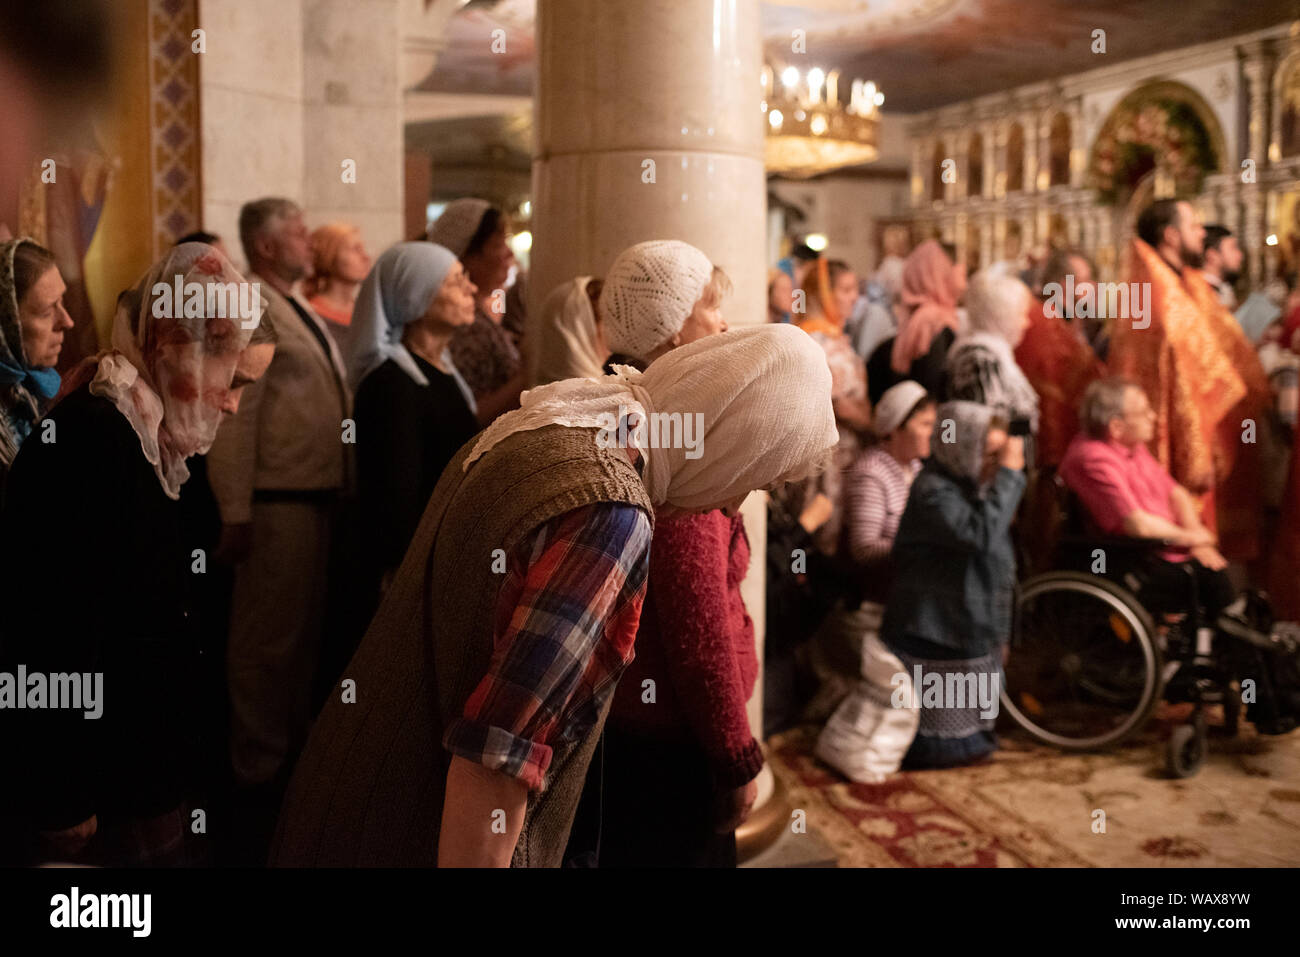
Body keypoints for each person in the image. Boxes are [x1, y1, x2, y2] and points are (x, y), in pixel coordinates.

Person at [270, 324, 838, 868]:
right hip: (409, 830)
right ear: (731, 436)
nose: (733, 506)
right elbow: (496, 759)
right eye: (753, 477)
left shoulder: (567, 417)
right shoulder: (611, 512)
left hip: (351, 784)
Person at [0, 243, 259, 866]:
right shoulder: (95, 439)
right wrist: (61, 792)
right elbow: (50, 626)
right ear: (172, 347)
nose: (232, 401)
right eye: (232, 375)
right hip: (106, 777)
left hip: (145, 760)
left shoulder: (155, 437)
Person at [564, 239, 756, 868]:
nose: (724, 324)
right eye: (711, 307)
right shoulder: (671, 435)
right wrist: (735, 757)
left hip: (622, 731)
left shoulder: (618, 409)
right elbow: (696, 624)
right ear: (673, 328)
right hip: (669, 742)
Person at [206, 198, 352, 806]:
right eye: (296, 232)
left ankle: (288, 763)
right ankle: (255, 774)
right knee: (266, 646)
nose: (307, 239)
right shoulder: (252, 303)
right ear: (264, 246)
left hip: (311, 498)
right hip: (274, 503)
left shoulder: (291, 304)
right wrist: (235, 510)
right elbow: (236, 416)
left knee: (299, 643)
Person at [1108, 199, 1269, 562]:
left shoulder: (1181, 283)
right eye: (1194, 226)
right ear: (1171, 235)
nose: (1201, 232)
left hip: (1198, 425)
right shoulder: (1155, 290)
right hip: (1169, 435)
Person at [882, 400, 1026, 768]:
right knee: (939, 745)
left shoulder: (973, 486)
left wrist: (1001, 633)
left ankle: (969, 745)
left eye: (999, 454)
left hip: (966, 622)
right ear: (961, 446)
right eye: (989, 453)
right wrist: (1010, 475)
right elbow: (979, 534)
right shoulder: (933, 490)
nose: (996, 463)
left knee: (973, 731)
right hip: (933, 627)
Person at [813, 382, 935, 781]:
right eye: (924, 423)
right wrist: (918, 544)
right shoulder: (872, 470)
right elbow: (865, 549)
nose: (933, 432)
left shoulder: (914, 470)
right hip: (866, 605)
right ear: (895, 427)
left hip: (900, 599)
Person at [346, 242, 479, 605]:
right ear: (415, 297)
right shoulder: (391, 382)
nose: (472, 288)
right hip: (411, 563)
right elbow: (393, 489)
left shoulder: (441, 371)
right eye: (455, 282)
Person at [1058, 378, 1235, 620]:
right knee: (1213, 578)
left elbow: (1177, 493)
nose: (1153, 416)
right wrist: (1192, 538)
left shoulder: (1131, 447)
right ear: (1116, 427)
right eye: (1143, 412)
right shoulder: (1092, 459)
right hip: (1124, 557)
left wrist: (1197, 541)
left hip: (1155, 547)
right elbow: (1137, 524)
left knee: (1217, 568)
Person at [795, 258, 873, 556]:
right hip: (830, 458)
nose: (854, 297)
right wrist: (873, 423)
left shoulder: (831, 336)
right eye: (845, 289)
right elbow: (841, 406)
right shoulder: (817, 341)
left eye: (855, 289)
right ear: (822, 294)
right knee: (825, 536)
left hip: (845, 454)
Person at [428, 198, 525, 424]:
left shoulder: (478, 316)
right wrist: (528, 374)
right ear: (466, 257)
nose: (509, 255)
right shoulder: (459, 326)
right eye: (498, 245)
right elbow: (466, 418)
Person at [1014, 247, 1106, 470]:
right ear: (1065, 284)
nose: (1093, 287)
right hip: (1047, 437)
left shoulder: (1076, 318)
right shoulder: (1045, 323)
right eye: (1087, 280)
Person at [0, 239, 70, 503]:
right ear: (6, 323)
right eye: (45, 312)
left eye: (62, 302)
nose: (67, 321)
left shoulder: (29, 396)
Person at [945, 264, 1040, 459]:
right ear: (1002, 317)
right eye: (1021, 315)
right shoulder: (980, 361)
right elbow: (983, 435)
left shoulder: (992, 356)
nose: (1026, 323)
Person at [867, 240, 965, 403]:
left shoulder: (921, 318)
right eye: (962, 274)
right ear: (941, 274)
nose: (964, 285)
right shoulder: (932, 323)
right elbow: (930, 390)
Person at [528, 276, 607, 386]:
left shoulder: (533, 396)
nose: (615, 341)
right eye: (607, 327)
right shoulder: (600, 397)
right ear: (581, 332)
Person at [305, 222, 371, 330]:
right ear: (329, 256)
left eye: (362, 249)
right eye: (355, 249)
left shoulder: (368, 311)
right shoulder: (309, 314)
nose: (366, 257)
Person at [1201, 224, 1243, 310]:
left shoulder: (1224, 289)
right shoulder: (1200, 293)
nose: (1240, 256)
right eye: (1233, 248)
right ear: (1212, 255)